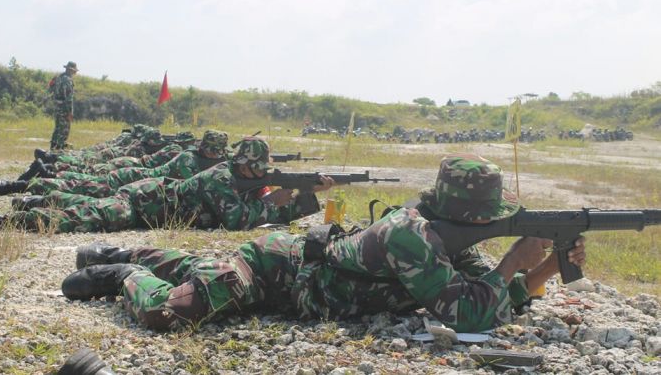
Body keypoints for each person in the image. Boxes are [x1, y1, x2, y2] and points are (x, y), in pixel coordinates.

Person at [60, 153, 586, 332]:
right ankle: (124, 273)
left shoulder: (452, 236)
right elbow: (465, 314)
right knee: (171, 313)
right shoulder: (412, 235)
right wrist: (516, 259)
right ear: (467, 214)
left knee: (200, 265)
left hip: (291, 284)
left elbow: (483, 298)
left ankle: (123, 251)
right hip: (274, 269)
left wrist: (540, 273)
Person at [0, 137, 333, 233]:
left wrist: (303, 196)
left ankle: (29, 202)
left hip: (151, 205)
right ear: (246, 165)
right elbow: (237, 221)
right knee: (79, 217)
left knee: (79, 204)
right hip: (143, 202)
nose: (261, 174)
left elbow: (256, 211)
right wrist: (280, 201)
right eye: (259, 169)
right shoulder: (222, 177)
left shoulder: (246, 184)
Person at [0, 129, 228, 199]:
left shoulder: (193, 156)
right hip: (126, 178)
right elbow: (188, 185)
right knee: (76, 185)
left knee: (76, 181)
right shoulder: (187, 158)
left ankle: (38, 175)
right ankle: (13, 186)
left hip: (134, 176)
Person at [50, 61, 77, 150]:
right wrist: (70, 112)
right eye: (74, 71)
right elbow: (69, 98)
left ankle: (52, 148)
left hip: (57, 107)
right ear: (71, 70)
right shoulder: (68, 80)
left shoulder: (58, 78)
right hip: (64, 109)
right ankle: (59, 150)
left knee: (57, 129)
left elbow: (51, 90)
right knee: (64, 131)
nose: (75, 73)